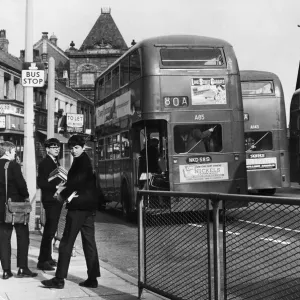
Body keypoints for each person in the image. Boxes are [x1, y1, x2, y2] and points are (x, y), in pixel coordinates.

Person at [41, 135, 100, 289]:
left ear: (83, 147)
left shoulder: (82, 162)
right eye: (71, 148)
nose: (73, 151)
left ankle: (59, 279)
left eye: (76, 148)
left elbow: (76, 184)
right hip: (88, 208)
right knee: (89, 243)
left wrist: (61, 195)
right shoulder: (85, 160)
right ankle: (92, 278)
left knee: (66, 243)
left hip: (79, 207)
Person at [0, 141, 37, 280]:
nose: (15, 153)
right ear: (8, 151)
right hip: (16, 207)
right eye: (14, 151)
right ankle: (22, 268)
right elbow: (21, 185)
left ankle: (6, 270)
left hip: (1, 209)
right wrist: (26, 196)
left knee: (3, 239)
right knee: (22, 236)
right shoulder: (13, 165)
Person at [37, 138, 63, 271]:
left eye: (57, 147)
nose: (56, 149)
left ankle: (48, 258)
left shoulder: (55, 161)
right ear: (47, 149)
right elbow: (41, 183)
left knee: (51, 230)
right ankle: (42, 260)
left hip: (55, 199)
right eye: (53, 147)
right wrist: (56, 187)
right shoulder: (45, 163)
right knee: (49, 231)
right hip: (50, 200)